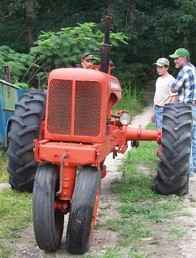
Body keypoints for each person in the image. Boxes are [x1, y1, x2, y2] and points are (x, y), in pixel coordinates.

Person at [169, 48, 196, 176]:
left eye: (177, 58)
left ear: (184, 58)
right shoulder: (193, 69)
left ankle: (188, 171)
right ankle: (194, 167)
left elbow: (174, 88)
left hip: (187, 108)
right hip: (194, 107)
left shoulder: (184, 71)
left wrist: (172, 85)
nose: (175, 61)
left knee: (186, 139)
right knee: (194, 139)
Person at [153, 57, 175, 128]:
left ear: (167, 68)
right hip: (157, 108)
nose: (158, 69)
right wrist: (154, 109)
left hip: (165, 110)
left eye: (160, 67)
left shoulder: (171, 80)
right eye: (157, 67)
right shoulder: (158, 79)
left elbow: (174, 97)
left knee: (165, 133)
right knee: (158, 133)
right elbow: (157, 95)